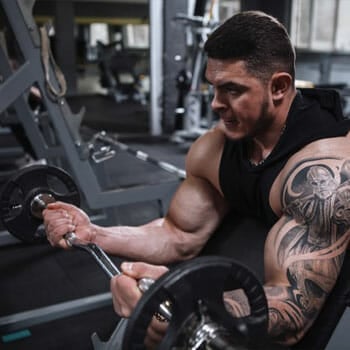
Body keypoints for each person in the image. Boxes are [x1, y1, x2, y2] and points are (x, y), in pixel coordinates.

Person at [43, 11, 350, 349]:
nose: (216, 104)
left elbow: (293, 310)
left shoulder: (324, 177)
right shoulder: (215, 148)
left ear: (279, 87)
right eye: (214, 88)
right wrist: (96, 234)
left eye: (232, 90)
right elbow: (178, 234)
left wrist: (187, 301)